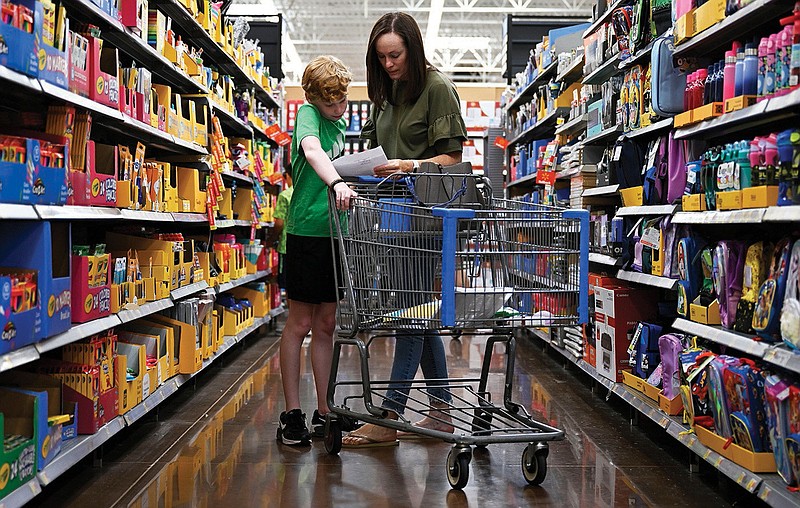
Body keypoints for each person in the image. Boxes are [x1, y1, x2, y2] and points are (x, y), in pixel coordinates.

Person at [341, 12, 468, 448]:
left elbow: (454, 160)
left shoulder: (437, 89)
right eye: (381, 57)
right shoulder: (386, 93)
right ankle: (440, 413)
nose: (389, 64)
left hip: (427, 220)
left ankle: (390, 415)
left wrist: (411, 165)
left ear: (412, 49)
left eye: (395, 55)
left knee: (409, 318)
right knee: (417, 314)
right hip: (393, 218)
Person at [277, 55, 359, 446]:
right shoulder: (308, 115)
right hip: (307, 232)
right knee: (300, 324)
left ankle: (324, 409)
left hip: (334, 234)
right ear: (313, 97)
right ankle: (292, 412)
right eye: (332, 104)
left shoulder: (338, 121)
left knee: (327, 323)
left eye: (343, 101)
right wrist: (339, 181)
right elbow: (311, 151)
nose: (339, 109)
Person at [271, 172, 293, 293]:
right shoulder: (307, 195)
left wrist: (272, 238)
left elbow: (279, 223)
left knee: (289, 286)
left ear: (289, 175)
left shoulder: (285, 195)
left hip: (286, 245)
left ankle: (292, 312)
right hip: (305, 244)